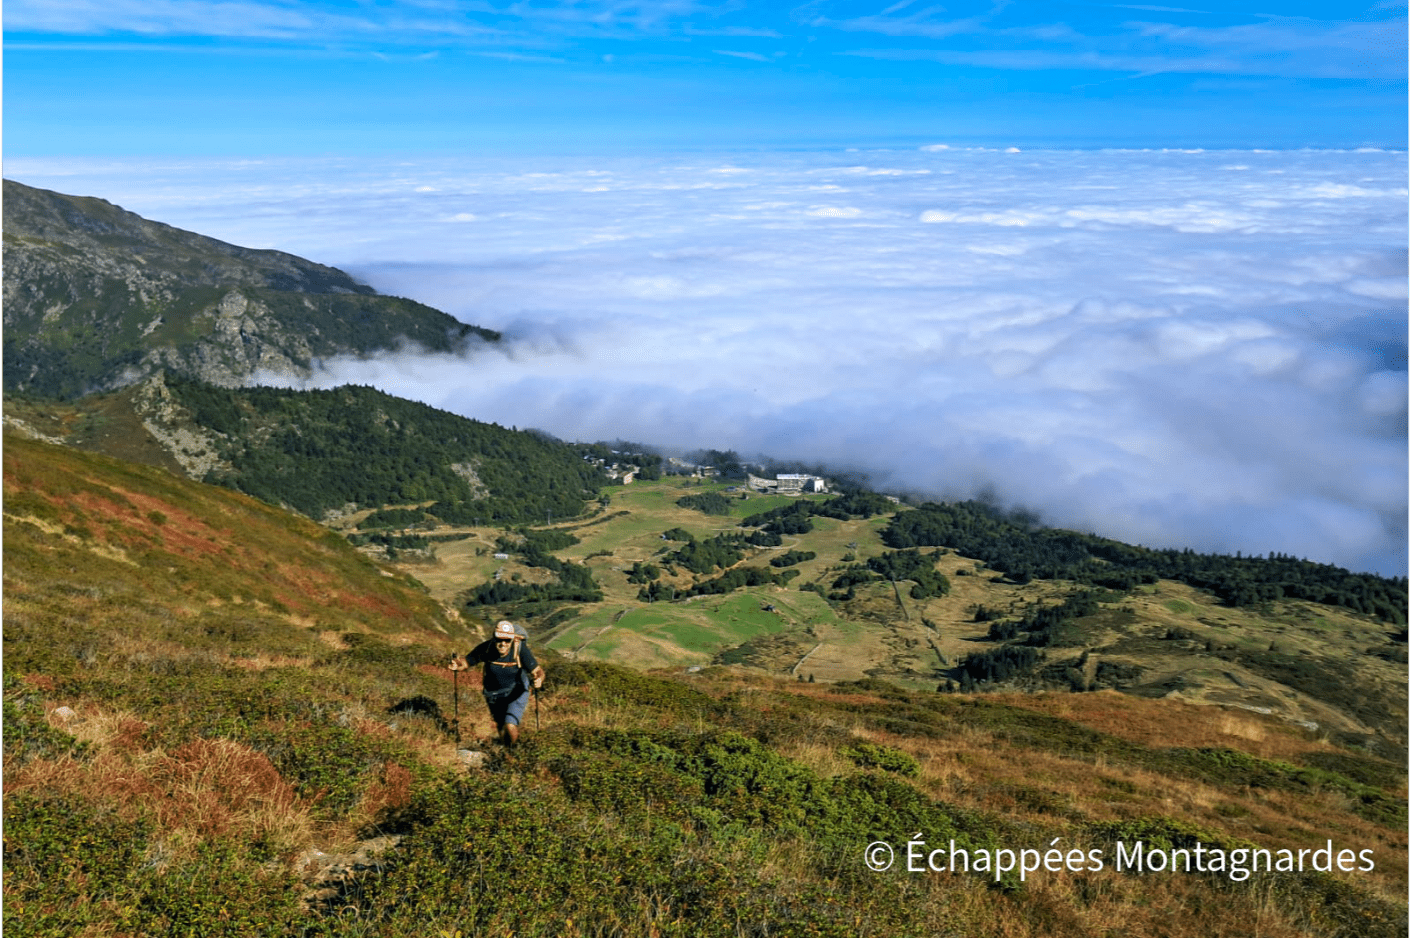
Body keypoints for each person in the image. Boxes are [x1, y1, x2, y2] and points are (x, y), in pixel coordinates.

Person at [449, 620, 544, 750]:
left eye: (507, 640)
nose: (503, 644)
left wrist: (539, 679)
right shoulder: (486, 648)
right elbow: (467, 662)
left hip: (517, 691)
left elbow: (537, 671)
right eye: (499, 639)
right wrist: (458, 665)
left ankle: (515, 754)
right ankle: (506, 751)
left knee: (510, 724)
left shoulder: (520, 648)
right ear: (494, 638)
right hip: (493, 694)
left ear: (512, 640)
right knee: (500, 726)